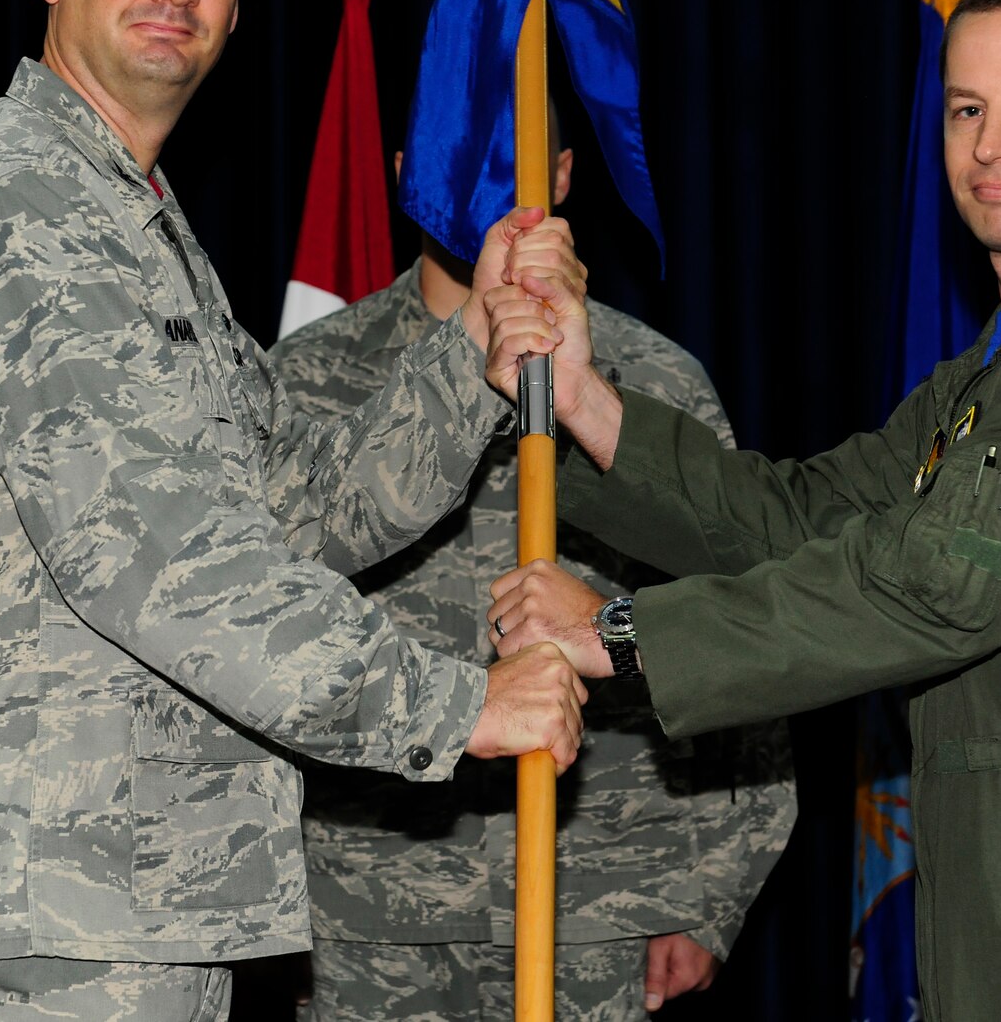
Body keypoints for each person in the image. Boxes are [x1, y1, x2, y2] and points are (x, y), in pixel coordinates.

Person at [0, 0, 594, 1020]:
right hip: (28, 920)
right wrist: (456, 706)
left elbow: (299, 503)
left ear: (240, 4)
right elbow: (167, 561)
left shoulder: (135, 223)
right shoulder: (22, 209)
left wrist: (475, 348)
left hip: (126, 904)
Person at [488, 0, 1001, 1020]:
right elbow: (792, 523)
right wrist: (590, 403)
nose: (990, 146)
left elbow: (937, 588)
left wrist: (620, 637)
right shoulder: (987, 377)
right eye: (966, 109)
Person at [272, 134, 796, 1021]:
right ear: (406, 173)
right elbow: (256, 637)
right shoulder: (308, 379)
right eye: (454, 145)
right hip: (363, 907)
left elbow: (744, 626)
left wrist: (713, 890)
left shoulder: (651, 383)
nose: (483, 171)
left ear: (560, 175)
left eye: (512, 151)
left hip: (604, 903)